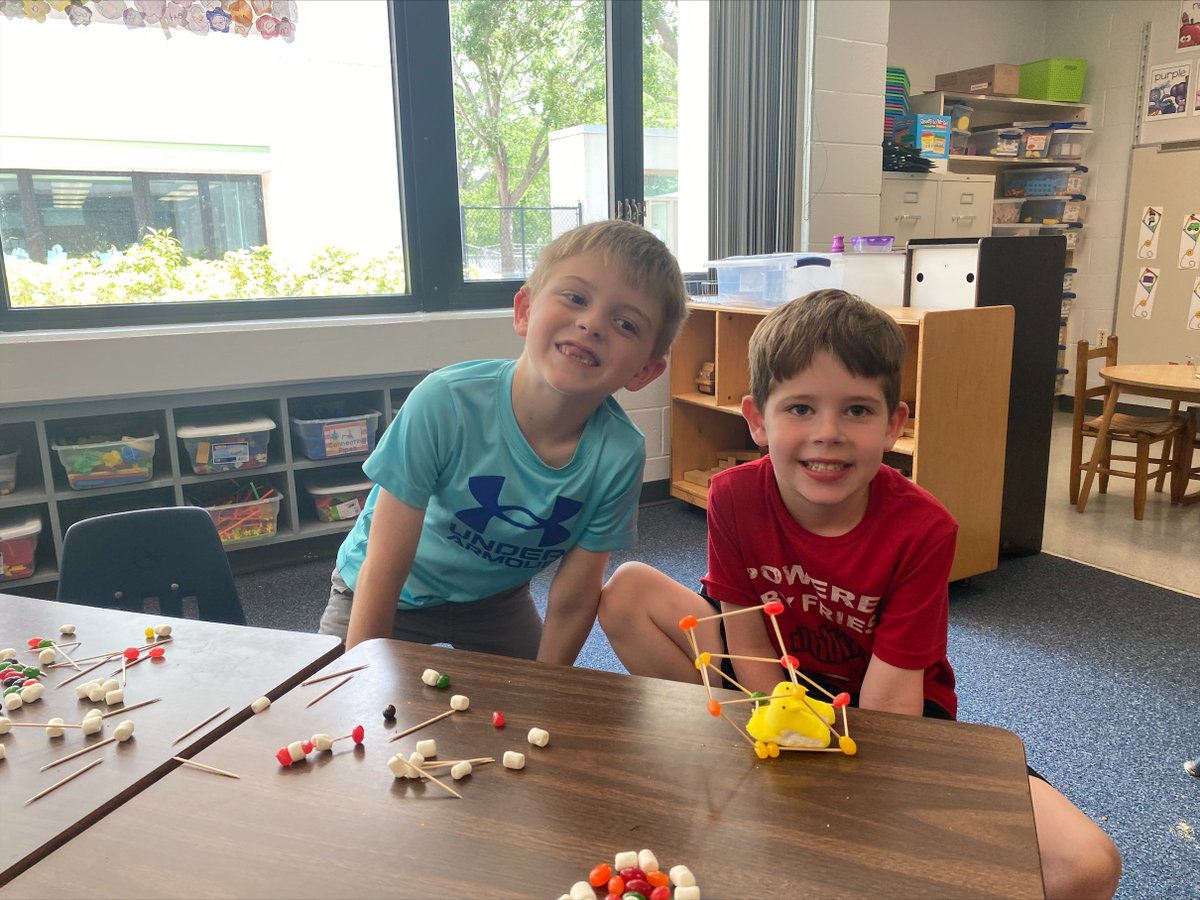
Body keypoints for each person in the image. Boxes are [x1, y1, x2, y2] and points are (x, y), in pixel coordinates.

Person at [598, 290, 1122, 899]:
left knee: (1085, 864)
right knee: (629, 591)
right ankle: (733, 757)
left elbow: (892, 705)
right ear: (757, 419)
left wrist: (848, 803)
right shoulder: (732, 496)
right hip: (779, 687)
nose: (828, 434)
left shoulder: (924, 528)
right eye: (799, 407)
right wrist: (776, 738)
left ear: (894, 425)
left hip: (887, 719)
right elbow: (747, 645)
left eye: (856, 410)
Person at [318, 219, 689, 667]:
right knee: (336, 706)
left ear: (644, 372)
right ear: (525, 311)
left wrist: (548, 694)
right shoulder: (445, 401)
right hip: (388, 591)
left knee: (532, 713)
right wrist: (362, 674)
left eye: (626, 323)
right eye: (575, 298)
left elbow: (574, 597)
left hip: (494, 602)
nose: (591, 323)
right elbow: (386, 561)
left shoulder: (619, 454)